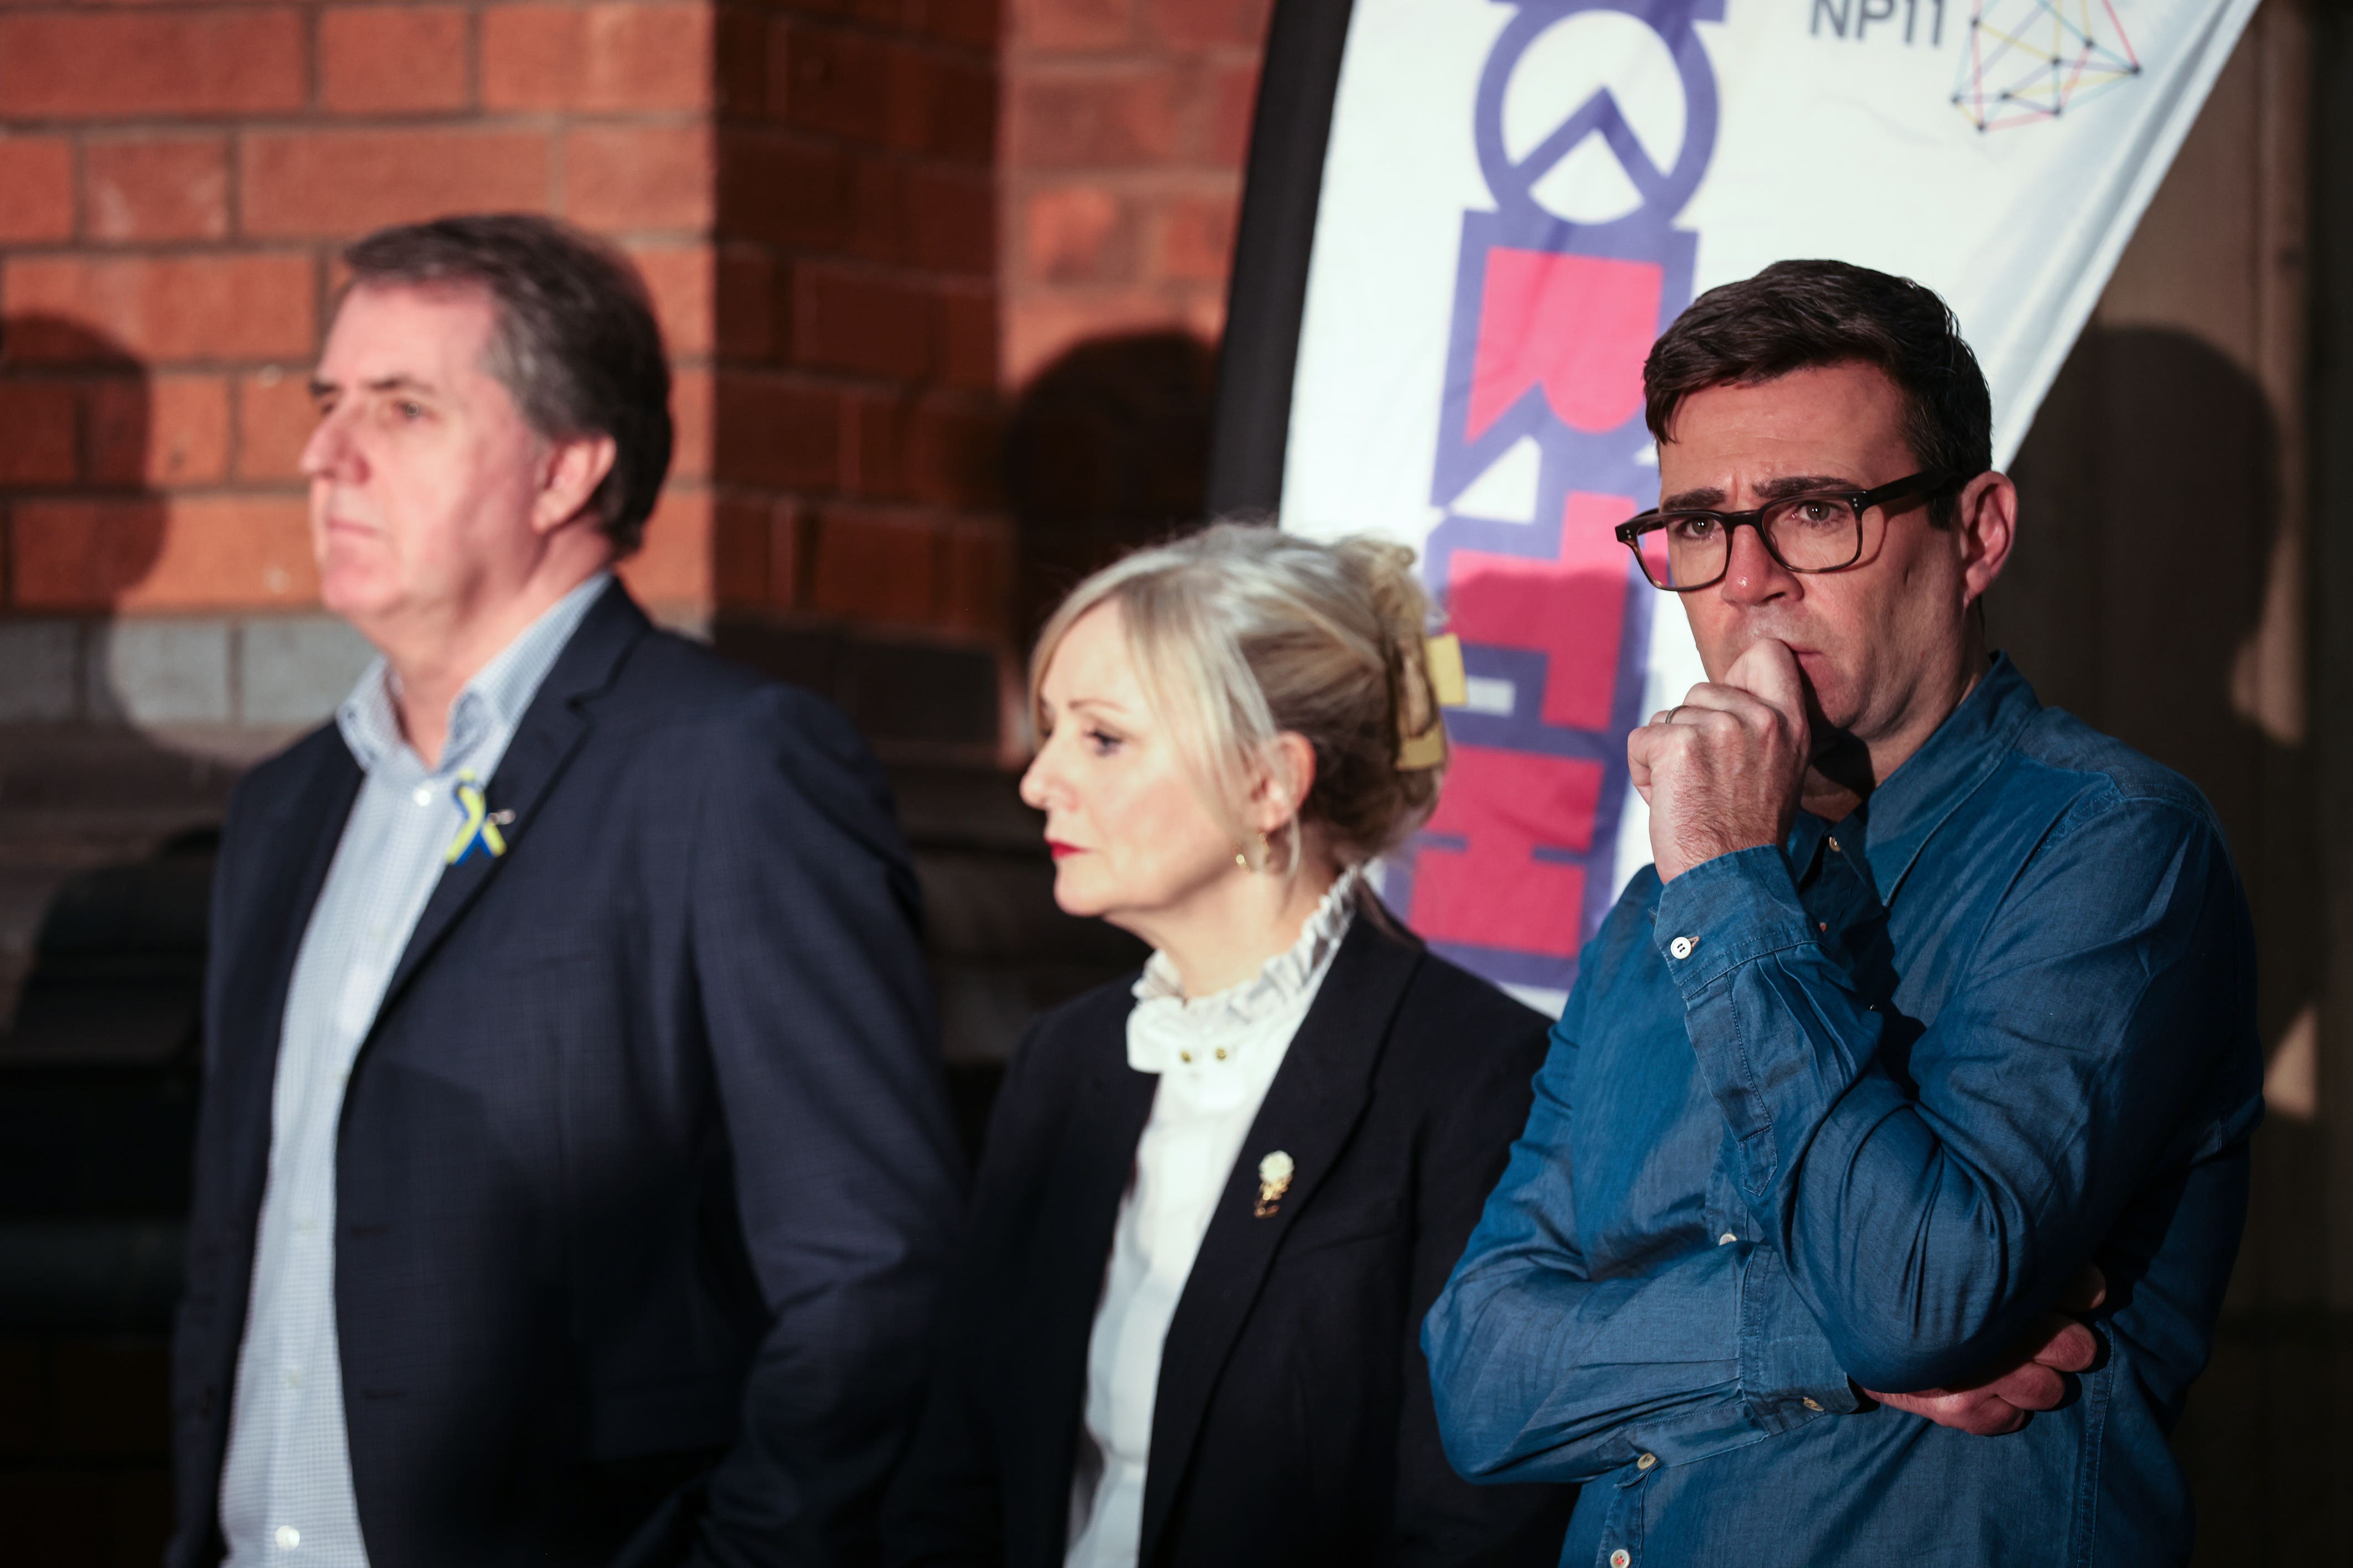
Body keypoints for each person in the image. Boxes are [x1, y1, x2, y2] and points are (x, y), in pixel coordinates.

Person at [1424, 260, 2261, 1565]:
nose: (1747, 580)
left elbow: (1923, 1297)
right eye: (1698, 524)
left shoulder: (2110, 844)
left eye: (1815, 511)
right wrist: (1826, 1346)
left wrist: (1722, 882)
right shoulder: (1665, 910)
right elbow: (1479, 1376)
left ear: (1976, 533)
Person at [170, 215, 966, 1567]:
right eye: (326, 405)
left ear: (567, 469)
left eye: (403, 408)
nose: (324, 456)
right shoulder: (289, 803)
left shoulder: (732, 767)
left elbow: (872, 1275)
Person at [883, 525, 1576, 1567]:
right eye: (1049, 730)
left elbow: (1474, 1523)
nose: (1038, 781)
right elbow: (957, 1471)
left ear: (1268, 782)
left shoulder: (1478, 1077)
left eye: (1102, 738)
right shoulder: (1066, 1061)